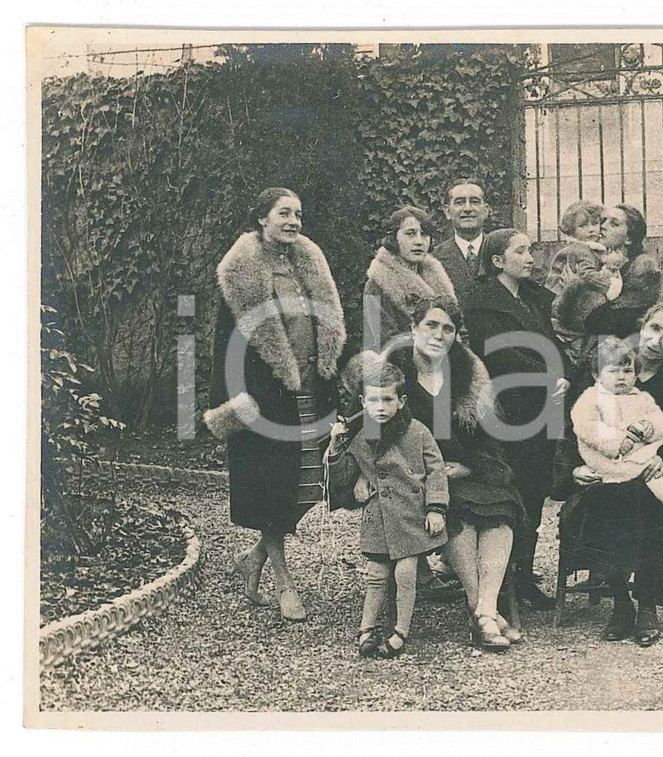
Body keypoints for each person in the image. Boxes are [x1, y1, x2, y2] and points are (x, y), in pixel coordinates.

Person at [343, 297, 525, 650]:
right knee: (458, 514)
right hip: (410, 481)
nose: (439, 335)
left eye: (448, 329)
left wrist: (472, 465)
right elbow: (356, 427)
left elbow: (490, 438)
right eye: (431, 325)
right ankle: (482, 611)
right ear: (413, 328)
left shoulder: (468, 373)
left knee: (499, 508)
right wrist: (364, 473)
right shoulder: (392, 372)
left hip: (460, 468)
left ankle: (484, 608)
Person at [205, 187, 346, 622]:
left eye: (298, 214)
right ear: (261, 219)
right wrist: (233, 405)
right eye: (283, 213)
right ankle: (285, 583)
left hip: (310, 391)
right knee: (274, 489)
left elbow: (327, 325)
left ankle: (254, 558)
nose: (293, 221)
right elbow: (225, 347)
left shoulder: (307, 263)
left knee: (305, 487)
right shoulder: (242, 273)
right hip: (265, 398)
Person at [553, 302, 663, 645]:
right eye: (653, 329)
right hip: (604, 473)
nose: (657, 340)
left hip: (657, 472)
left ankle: (648, 605)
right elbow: (572, 427)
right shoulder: (609, 362)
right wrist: (573, 470)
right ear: (643, 326)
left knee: (649, 504)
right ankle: (620, 603)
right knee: (608, 502)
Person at [465, 229, 570, 610]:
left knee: (535, 489)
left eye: (531, 250)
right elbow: (499, 354)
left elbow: (555, 346)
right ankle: (503, 579)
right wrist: (549, 379)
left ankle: (523, 575)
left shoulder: (533, 299)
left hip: (543, 408)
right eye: (521, 251)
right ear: (497, 261)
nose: (531, 258)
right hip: (510, 410)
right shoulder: (482, 304)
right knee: (512, 493)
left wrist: (563, 377)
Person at [327, 362, 449, 658]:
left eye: (387, 400)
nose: (380, 407)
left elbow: (436, 470)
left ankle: (401, 630)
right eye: (373, 400)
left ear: (401, 401)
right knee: (376, 574)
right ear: (362, 402)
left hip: (410, 515)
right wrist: (334, 446)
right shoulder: (359, 437)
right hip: (379, 517)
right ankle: (366, 628)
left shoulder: (417, 432)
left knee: (406, 573)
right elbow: (342, 474)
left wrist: (436, 508)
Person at [570, 337, 663, 529]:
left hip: (635, 452)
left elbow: (660, 420)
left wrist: (651, 427)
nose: (621, 377)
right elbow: (587, 427)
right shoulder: (591, 399)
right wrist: (617, 442)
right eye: (613, 372)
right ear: (596, 375)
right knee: (650, 471)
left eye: (627, 371)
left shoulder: (640, 397)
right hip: (607, 459)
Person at [362, 205, 458, 351]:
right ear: (394, 238)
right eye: (411, 233)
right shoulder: (376, 285)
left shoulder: (437, 278)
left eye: (424, 234)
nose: (419, 241)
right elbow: (383, 341)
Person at [544, 200, 627, 367]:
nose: (591, 229)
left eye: (595, 223)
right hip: (567, 309)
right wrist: (610, 285)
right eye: (583, 226)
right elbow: (588, 275)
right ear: (573, 230)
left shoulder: (595, 249)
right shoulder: (580, 249)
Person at [582, 204, 662, 342]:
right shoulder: (591, 260)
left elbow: (612, 321)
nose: (603, 226)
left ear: (629, 238)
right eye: (602, 221)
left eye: (614, 224)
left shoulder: (642, 267)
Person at [432, 178, 490, 311]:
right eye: (459, 202)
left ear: (486, 210)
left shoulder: (502, 254)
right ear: (447, 212)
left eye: (475, 202)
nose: (468, 209)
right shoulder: (434, 259)